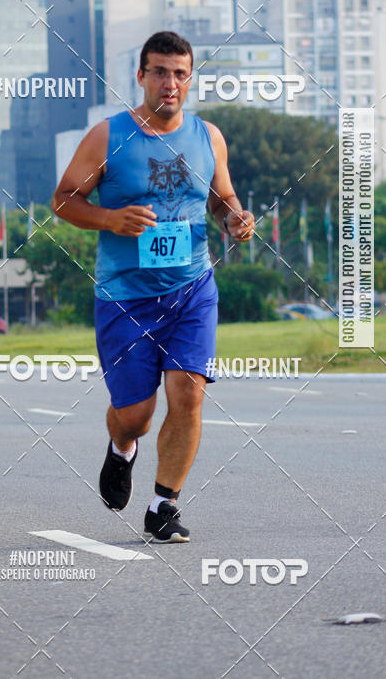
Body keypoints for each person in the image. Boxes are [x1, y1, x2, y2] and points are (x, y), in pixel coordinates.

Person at [52, 30, 254, 542]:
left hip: (192, 289)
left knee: (188, 394)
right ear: (141, 76)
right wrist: (110, 219)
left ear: (190, 79)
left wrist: (234, 218)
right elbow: (64, 199)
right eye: (160, 72)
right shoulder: (108, 136)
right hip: (125, 297)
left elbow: (221, 198)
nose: (170, 83)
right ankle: (122, 448)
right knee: (136, 416)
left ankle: (163, 505)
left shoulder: (208, 137)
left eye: (180, 74)